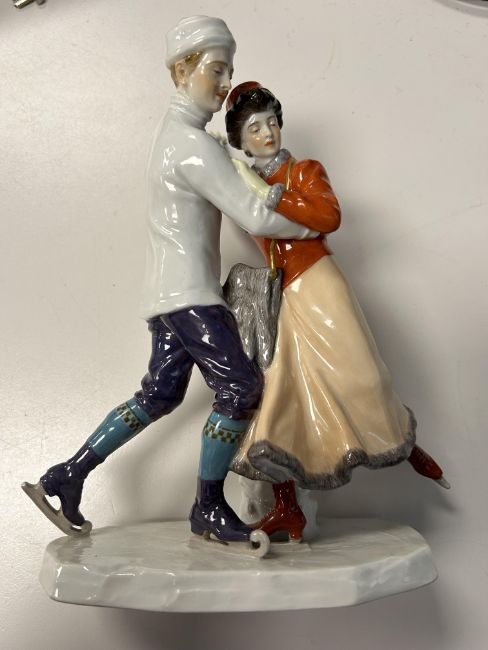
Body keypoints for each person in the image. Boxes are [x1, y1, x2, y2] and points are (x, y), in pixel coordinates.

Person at [22, 19, 319, 545]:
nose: (226, 82)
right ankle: (207, 505)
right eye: (216, 69)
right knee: (240, 388)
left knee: (159, 394)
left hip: (168, 294)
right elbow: (254, 214)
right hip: (190, 295)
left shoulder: (175, 137)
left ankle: (67, 475)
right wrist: (314, 226)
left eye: (229, 70)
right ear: (183, 71)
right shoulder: (193, 146)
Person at [225, 82, 449, 541]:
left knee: (359, 370)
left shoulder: (303, 171)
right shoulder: (242, 185)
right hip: (281, 295)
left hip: (317, 281)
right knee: (280, 393)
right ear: (241, 140)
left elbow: (328, 217)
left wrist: (277, 197)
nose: (266, 133)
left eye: (271, 122)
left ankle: (402, 442)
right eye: (254, 128)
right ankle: (287, 507)